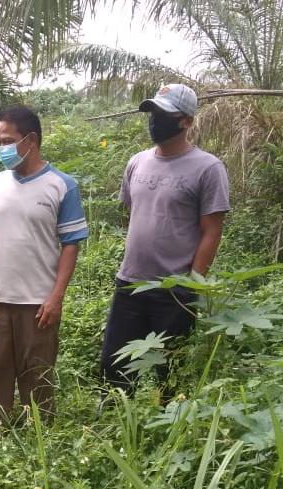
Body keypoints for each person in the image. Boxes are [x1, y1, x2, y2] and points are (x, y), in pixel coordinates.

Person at [0, 106, 89, 423]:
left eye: (7, 140)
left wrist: (56, 296)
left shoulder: (62, 185)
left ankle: (40, 434)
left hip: (37, 303)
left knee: (38, 375)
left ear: (30, 140)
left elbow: (71, 245)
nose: (1, 148)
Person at [99, 84, 230, 395]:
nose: (154, 120)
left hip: (174, 289)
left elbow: (212, 231)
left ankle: (166, 430)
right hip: (129, 282)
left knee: (169, 372)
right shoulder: (137, 162)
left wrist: (192, 284)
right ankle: (117, 425)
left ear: (186, 121)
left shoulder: (208, 168)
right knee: (113, 365)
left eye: (163, 114)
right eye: (152, 113)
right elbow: (133, 211)